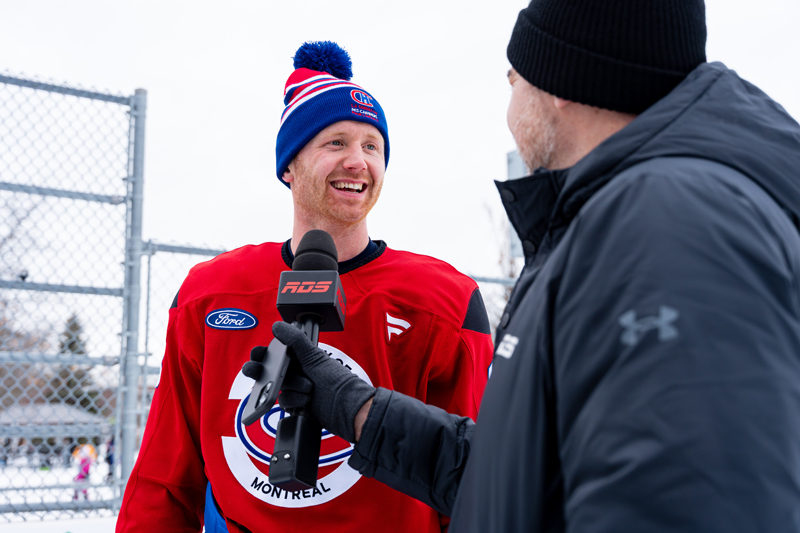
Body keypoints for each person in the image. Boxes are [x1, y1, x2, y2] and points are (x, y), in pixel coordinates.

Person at [269, 1, 800, 531]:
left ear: (560, 83)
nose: (509, 103)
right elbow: (525, 478)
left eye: (512, 78)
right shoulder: (623, 220)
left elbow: (688, 505)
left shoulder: (669, 226)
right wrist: (357, 409)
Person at [116, 41, 494, 532]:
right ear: (289, 166)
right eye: (336, 142)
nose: (358, 161)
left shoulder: (445, 299)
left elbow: (473, 482)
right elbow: (164, 479)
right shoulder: (209, 294)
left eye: (371, 145)